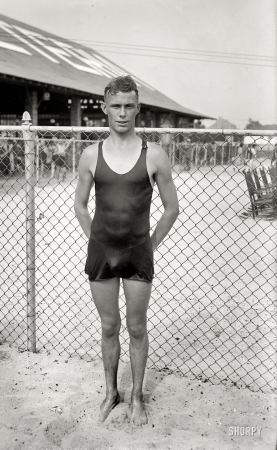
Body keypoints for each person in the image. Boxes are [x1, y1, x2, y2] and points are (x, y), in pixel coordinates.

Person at [74, 75, 179, 425]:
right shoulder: (91, 154)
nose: (122, 113)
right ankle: (110, 393)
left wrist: (150, 244)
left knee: (136, 327)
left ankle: (136, 396)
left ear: (138, 109)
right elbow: (80, 204)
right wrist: (96, 241)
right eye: (115, 106)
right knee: (108, 326)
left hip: (137, 252)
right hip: (101, 252)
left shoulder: (154, 154)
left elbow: (171, 208)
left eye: (129, 106)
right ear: (104, 108)